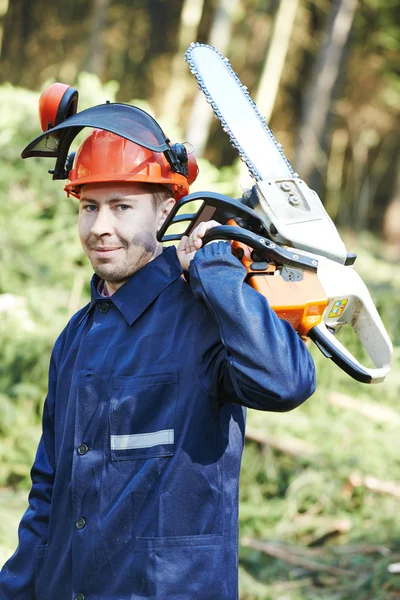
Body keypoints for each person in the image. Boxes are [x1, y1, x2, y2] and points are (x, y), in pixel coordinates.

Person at [0, 114, 316, 600]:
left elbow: (287, 382)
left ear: (167, 209)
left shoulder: (203, 315)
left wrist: (219, 276)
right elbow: (49, 489)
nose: (100, 227)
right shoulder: (75, 336)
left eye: (122, 206)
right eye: (89, 207)